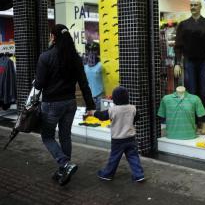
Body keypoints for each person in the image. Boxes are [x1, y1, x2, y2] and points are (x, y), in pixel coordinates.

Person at [34, 24, 95, 186]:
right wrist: (90, 105)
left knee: (47, 136)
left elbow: (39, 85)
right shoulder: (75, 57)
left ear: (53, 37)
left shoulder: (45, 57)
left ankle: (64, 164)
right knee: (65, 135)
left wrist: (38, 80)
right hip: (70, 103)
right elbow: (83, 83)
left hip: (52, 104)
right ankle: (63, 170)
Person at [174, 0, 205, 134]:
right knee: (191, 93)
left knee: (204, 92)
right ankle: (193, 123)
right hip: (189, 62)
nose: (193, 7)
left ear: (200, 7)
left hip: (204, 62)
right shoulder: (183, 25)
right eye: (191, 5)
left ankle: (204, 123)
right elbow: (178, 46)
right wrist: (177, 63)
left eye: (195, 5)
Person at [86, 86, 145, 182]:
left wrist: (93, 112)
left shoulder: (113, 110)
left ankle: (107, 174)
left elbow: (102, 116)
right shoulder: (132, 108)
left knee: (114, 158)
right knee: (133, 156)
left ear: (115, 99)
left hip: (118, 140)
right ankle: (139, 175)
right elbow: (137, 117)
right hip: (131, 138)